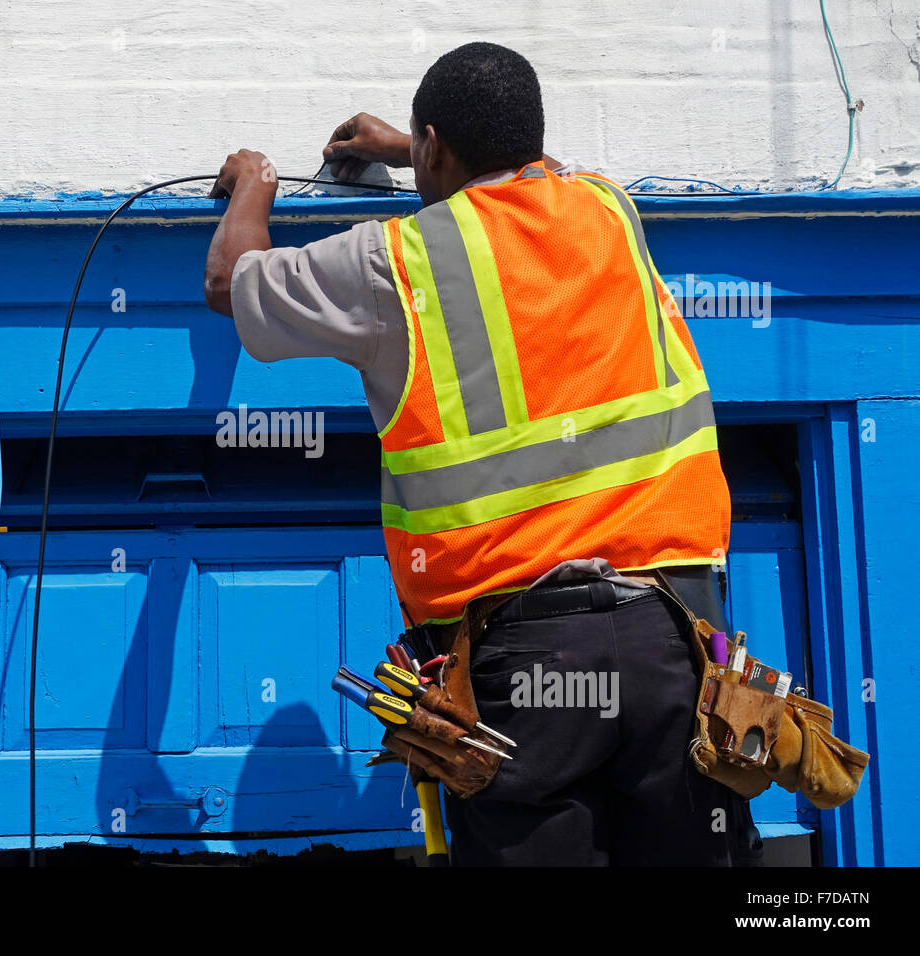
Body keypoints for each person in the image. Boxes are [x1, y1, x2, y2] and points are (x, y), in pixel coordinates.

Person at [203, 41, 763, 866]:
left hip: (527, 670)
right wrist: (412, 146)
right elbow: (548, 169)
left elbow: (231, 281)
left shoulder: (393, 261)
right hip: (675, 646)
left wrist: (255, 180)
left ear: (436, 147)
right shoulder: (610, 210)